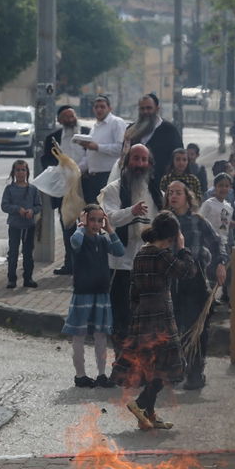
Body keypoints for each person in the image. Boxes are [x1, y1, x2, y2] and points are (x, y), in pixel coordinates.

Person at [111, 212, 199, 431]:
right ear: (171, 235)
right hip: (161, 317)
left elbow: (133, 289)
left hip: (142, 316)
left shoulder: (141, 254)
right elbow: (188, 271)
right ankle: (140, 404)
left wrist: (137, 312)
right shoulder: (162, 255)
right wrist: (183, 247)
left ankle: (148, 415)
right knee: (170, 366)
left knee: (154, 366)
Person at [165, 179, 227, 390]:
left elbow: (217, 241)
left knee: (198, 328)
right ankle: (176, 369)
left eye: (178, 192)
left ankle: (195, 372)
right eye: (170, 192)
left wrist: (220, 263)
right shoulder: (164, 222)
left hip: (196, 280)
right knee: (175, 328)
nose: (173, 196)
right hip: (172, 282)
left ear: (187, 197)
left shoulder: (198, 221)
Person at [100, 143, 159, 350]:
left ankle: (140, 365)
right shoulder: (113, 189)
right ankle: (121, 363)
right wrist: (131, 211)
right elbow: (109, 220)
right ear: (126, 162)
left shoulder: (154, 191)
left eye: (144, 160)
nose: (140, 164)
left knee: (145, 319)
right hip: (121, 265)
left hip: (147, 266)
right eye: (136, 158)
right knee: (122, 318)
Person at [63, 204, 126, 388]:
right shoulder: (80, 237)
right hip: (83, 293)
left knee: (101, 335)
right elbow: (74, 242)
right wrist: (80, 225)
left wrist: (110, 229)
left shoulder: (103, 240)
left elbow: (120, 251)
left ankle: (101, 374)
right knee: (79, 335)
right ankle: (80, 375)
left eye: (100, 220)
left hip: (101, 293)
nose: (96, 224)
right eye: (92, 220)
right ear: (85, 220)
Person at [42, 105, 88, 275]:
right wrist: (59, 169)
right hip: (64, 190)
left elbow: (92, 157)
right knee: (68, 228)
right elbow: (46, 161)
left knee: (87, 226)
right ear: (60, 120)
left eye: (72, 116)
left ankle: (85, 264)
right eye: (66, 117)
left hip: (85, 188)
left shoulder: (86, 132)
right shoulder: (52, 138)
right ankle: (70, 264)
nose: (70, 119)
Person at [71, 94, 126, 222]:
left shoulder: (116, 123)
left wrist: (97, 147)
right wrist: (75, 170)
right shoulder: (95, 127)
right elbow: (89, 155)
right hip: (92, 177)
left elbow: (120, 149)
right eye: (96, 107)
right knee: (93, 215)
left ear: (109, 108)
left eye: (102, 107)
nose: (99, 110)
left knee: (106, 214)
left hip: (108, 176)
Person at [1, 158, 40, 289]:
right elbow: (4, 206)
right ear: (13, 172)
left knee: (28, 252)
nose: (20, 173)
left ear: (27, 172)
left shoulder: (33, 189)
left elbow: (38, 206)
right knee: (13, 252)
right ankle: (11, 279)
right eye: (17, 170)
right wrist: (17, 209)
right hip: (15, 225)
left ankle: (28, 278)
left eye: (23, 170)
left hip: (29, 225)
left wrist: (32, 211)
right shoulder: (9, 189)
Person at [128, 93, 183, 182]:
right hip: (134, 182)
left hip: (161, 183)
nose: (145, 111)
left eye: (149, 108)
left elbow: (178, 156)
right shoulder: (131, 130)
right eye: (142, 108)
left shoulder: (169, 130)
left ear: (157, 109)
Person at [200, 172, 235, 256]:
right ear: (215, 187)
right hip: (208, 244)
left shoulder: (228, 207)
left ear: (230, 188)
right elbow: (200, 220)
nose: (223, 188)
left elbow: (224, 224)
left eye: (226, 186)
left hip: (223, 245)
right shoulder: (208, 204)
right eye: (220, 185)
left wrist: (232, 224)